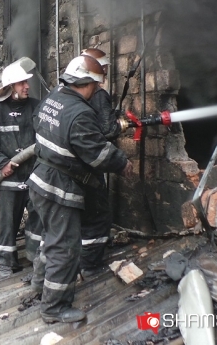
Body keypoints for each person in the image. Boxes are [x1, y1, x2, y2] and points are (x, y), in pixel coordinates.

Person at [28, 55, 135, 323]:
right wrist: (122, 162)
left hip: (40, 180)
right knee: (65, 248)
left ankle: (39, 285)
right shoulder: (80, 113)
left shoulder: (53, 98)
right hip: (58, 188)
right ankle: (53, 308)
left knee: (51, 239)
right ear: (86, 83)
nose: (97, 91)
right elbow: (98, 155)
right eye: (96, 86)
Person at [0, 59, 43, 277]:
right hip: (10, 176)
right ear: (9, 87)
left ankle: (35, 258)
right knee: (8, 221)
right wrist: (2, 164)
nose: (26, 86)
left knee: (38, 218)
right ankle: (7, 262)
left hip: (35, 175)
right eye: (21, 83)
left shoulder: (36, 106)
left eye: (26, 82)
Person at [78, 47, 128, 276]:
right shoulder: (98, 94)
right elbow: (107, 130)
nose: (105, 72)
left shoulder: (68, 94)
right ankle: (90, 265)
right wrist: (121, 125)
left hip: (73, 167)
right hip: (90, 165)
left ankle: (80, 257)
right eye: (103, 68)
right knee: (97, 214)